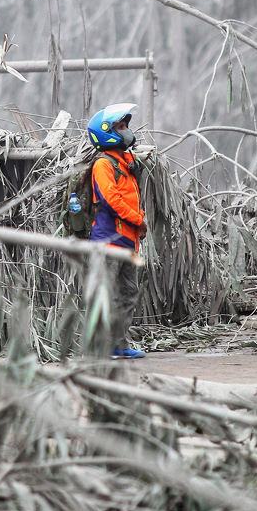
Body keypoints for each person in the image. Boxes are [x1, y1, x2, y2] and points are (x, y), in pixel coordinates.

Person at [86, 103, 148, 359]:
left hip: (127, 242)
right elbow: (112, 200)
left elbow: (130, 197)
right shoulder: (103, 164)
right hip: (108, 242)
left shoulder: (125, 162)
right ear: (107, 132)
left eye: (125, 126)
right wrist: (138, 220)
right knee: (106, 295)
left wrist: (137, 225)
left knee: (128, 294)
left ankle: (118, 346)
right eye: (120, 127)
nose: (126, 131)